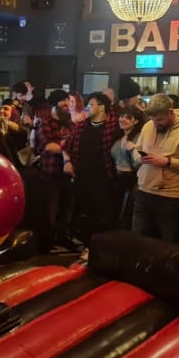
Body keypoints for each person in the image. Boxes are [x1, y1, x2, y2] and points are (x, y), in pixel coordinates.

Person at [130, 93, 179, 243]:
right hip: (144, 190)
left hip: (170, 196)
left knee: (168, 245)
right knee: (139, 243)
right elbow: (137, 149)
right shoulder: (148, 126)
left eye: (159, 120)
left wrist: (167, 161)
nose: (155, 124)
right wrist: (139, 157)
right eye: (152, 119)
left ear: (171, 112)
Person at [62, 92, 121, 244]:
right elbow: (66, 147)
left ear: (102, 107)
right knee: (83, 212)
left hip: (104, 178)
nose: (87, 108)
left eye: (91, 105)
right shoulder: (81, 126)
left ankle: (99, 245)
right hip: (81, 177)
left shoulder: (114, 126)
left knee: (102, 215)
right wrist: (67, 161)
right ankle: (86, 245)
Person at [34, 98, 74, 248]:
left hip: (68, 173)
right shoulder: (46, 124)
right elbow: (49, 146)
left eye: (68, 104)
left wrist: (64, 146)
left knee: (67, 208)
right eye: (63, 104)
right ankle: (47, 241)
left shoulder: (70, 124)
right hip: (50, 173)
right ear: (55, 106)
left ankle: (63, 238)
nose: (67, 107)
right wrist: (67, 147)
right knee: (50, 209)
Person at [111, 107, 144, 230]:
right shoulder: (118, 136)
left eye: (128, 117)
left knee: (126, 215)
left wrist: (134, 149)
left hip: (131, 178)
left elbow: (140, 162)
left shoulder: (139, 137)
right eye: (121, 116)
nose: (122, 119)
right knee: (115, 211)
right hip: (116, 177)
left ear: (136, 121)